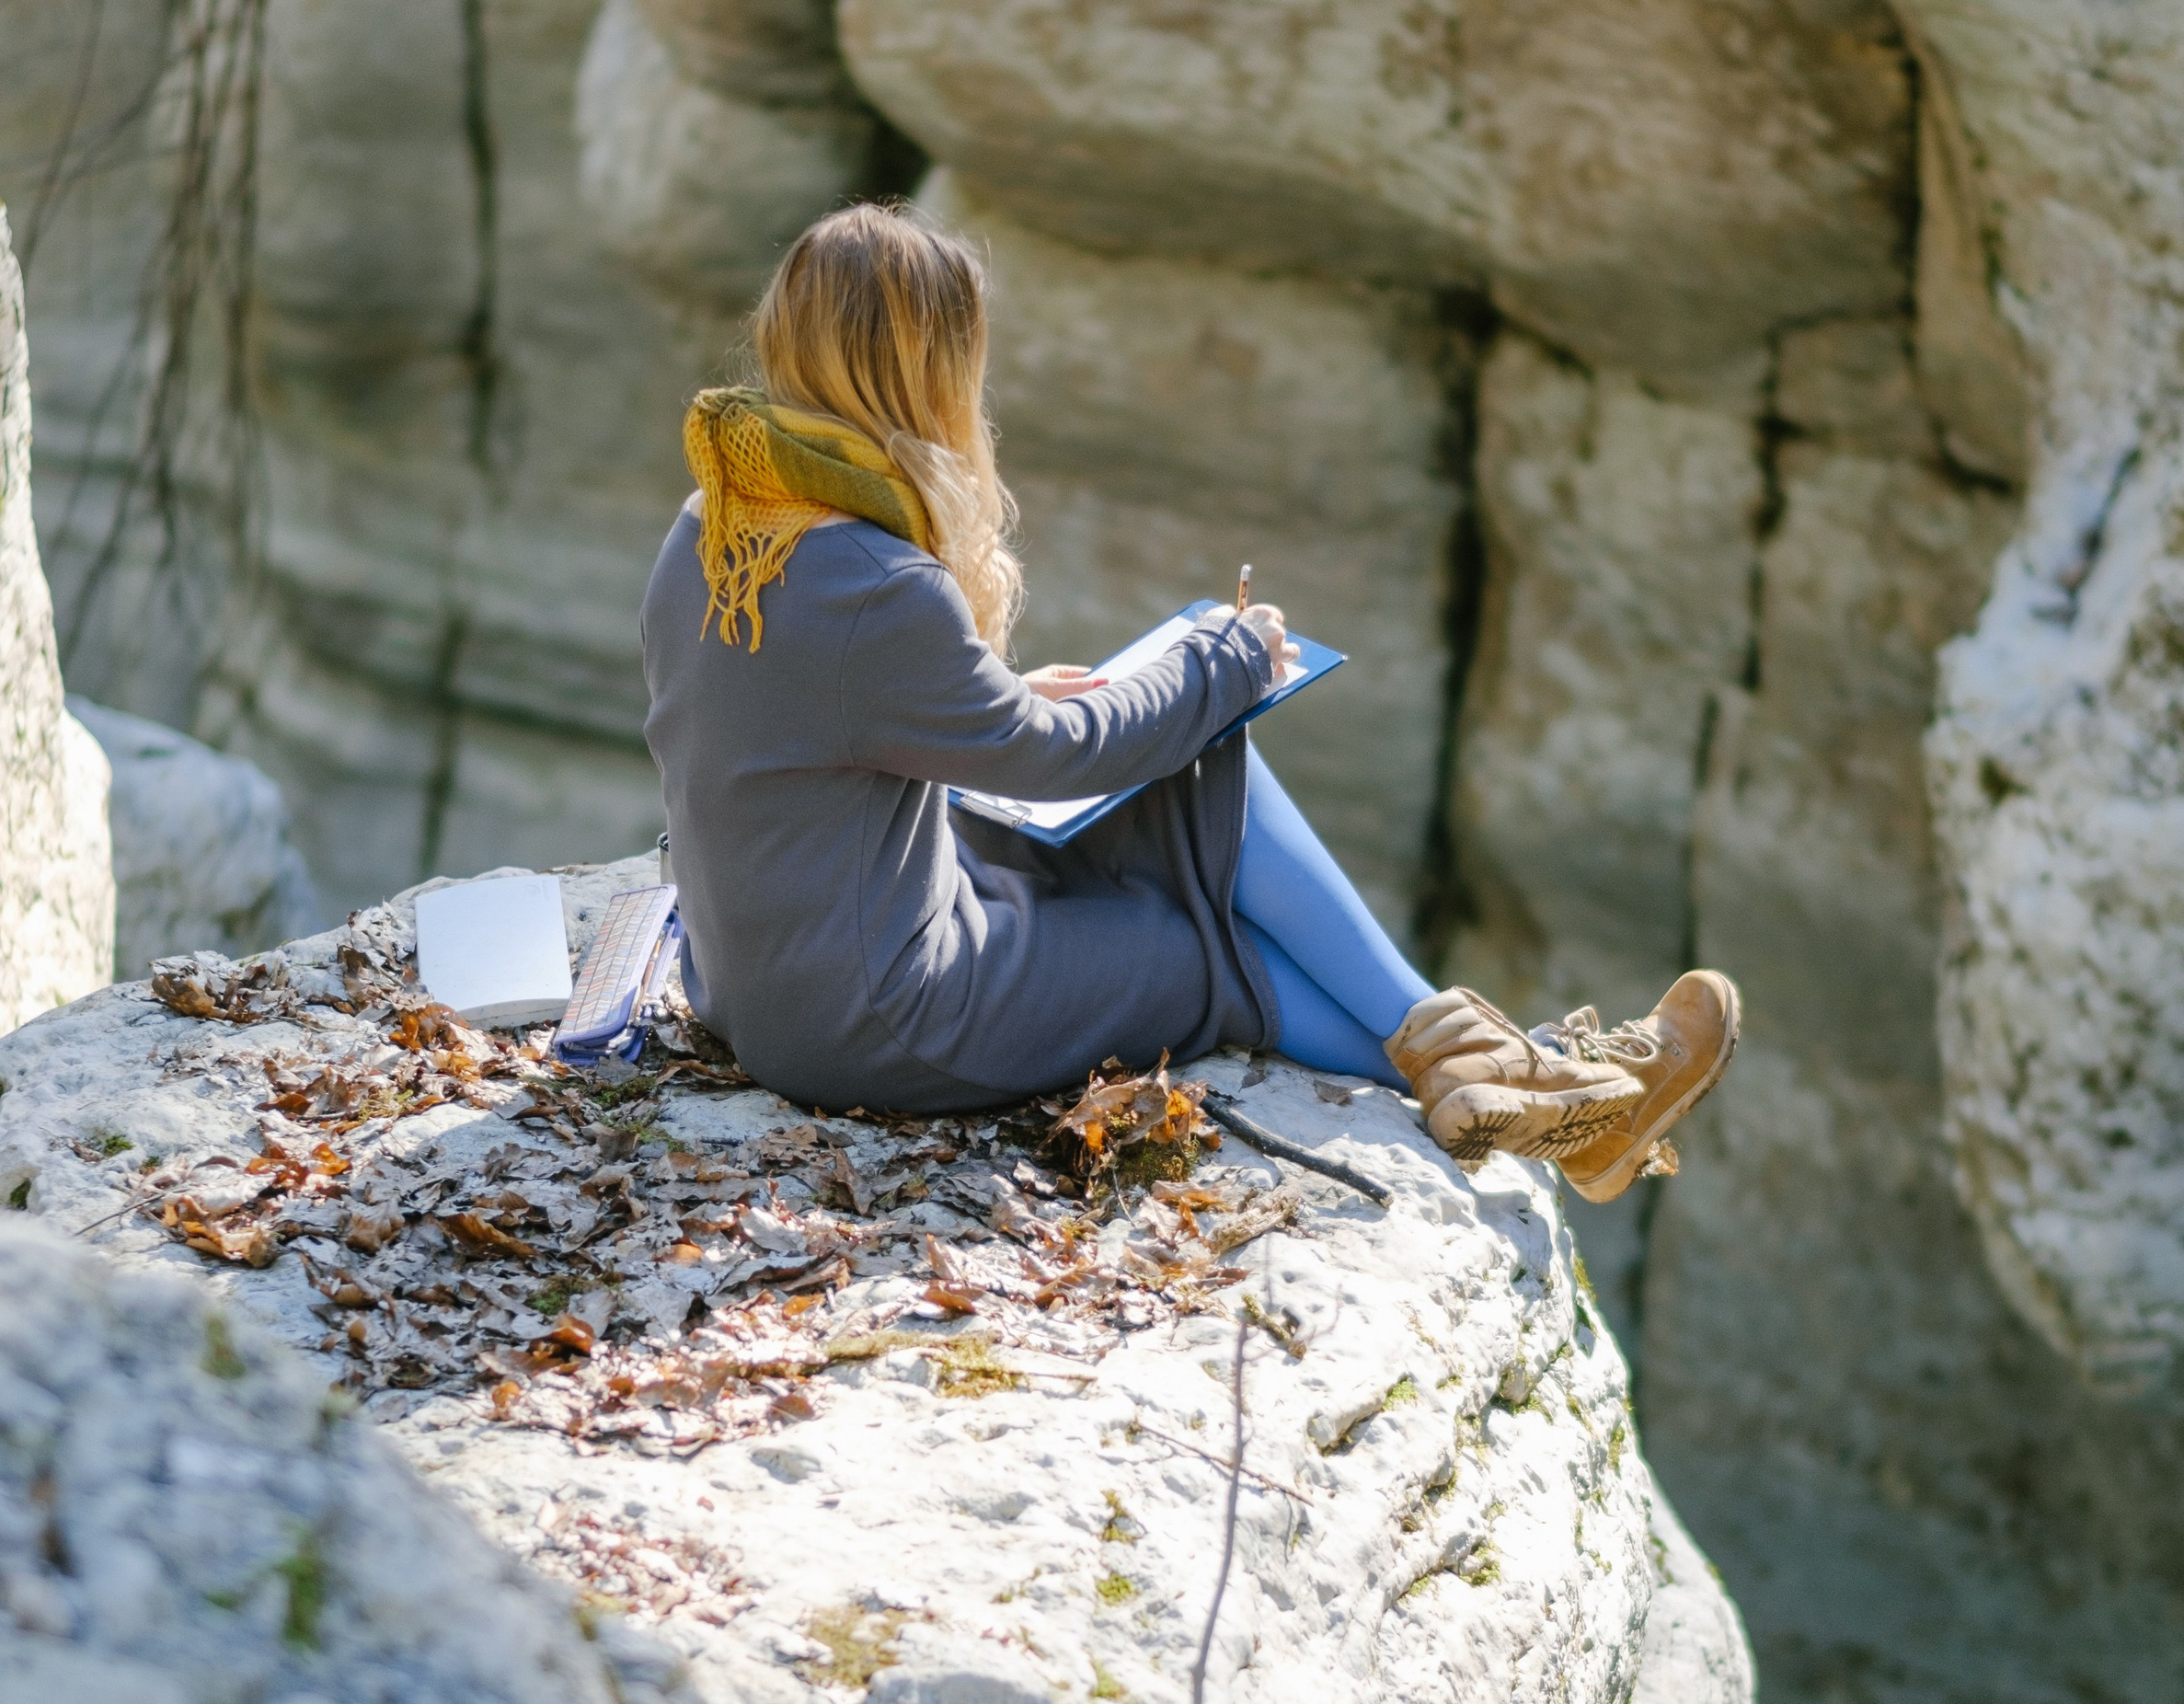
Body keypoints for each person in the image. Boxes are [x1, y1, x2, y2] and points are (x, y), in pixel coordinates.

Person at [639, 203, 1738, 1191]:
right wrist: (1224, 659)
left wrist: (992, 697)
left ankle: (1512, 1074)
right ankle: (1544, 1090)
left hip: (767, 983)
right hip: (878, 1018)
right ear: (924, 369)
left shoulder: (721, 516)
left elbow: (798, 718)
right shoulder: (881, 585)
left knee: (1199, 769)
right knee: (1191, 944)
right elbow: (1048, 757)